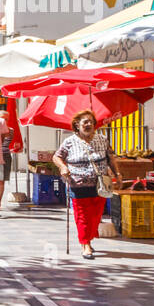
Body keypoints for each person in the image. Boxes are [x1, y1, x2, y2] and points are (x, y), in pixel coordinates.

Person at [53, 110, 120, 259]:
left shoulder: (102, 139)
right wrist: (63, 167)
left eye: (91, 122)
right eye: (85, 122)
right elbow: (56, 157)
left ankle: (88, 238)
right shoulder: (69, 142)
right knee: (82, 216)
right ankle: (86, 244)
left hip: (100, 184)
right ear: (77, 125)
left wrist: (118, 174)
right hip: (78, 184)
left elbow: (111, 158)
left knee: (96, 215)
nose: (89, 124)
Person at [0, 108, 15, 209]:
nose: (4, 121)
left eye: (6, 119)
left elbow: (14, 144)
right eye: (2, 118)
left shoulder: (11, 131)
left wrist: (15, 147)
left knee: (2, 181)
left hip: (6, 156)